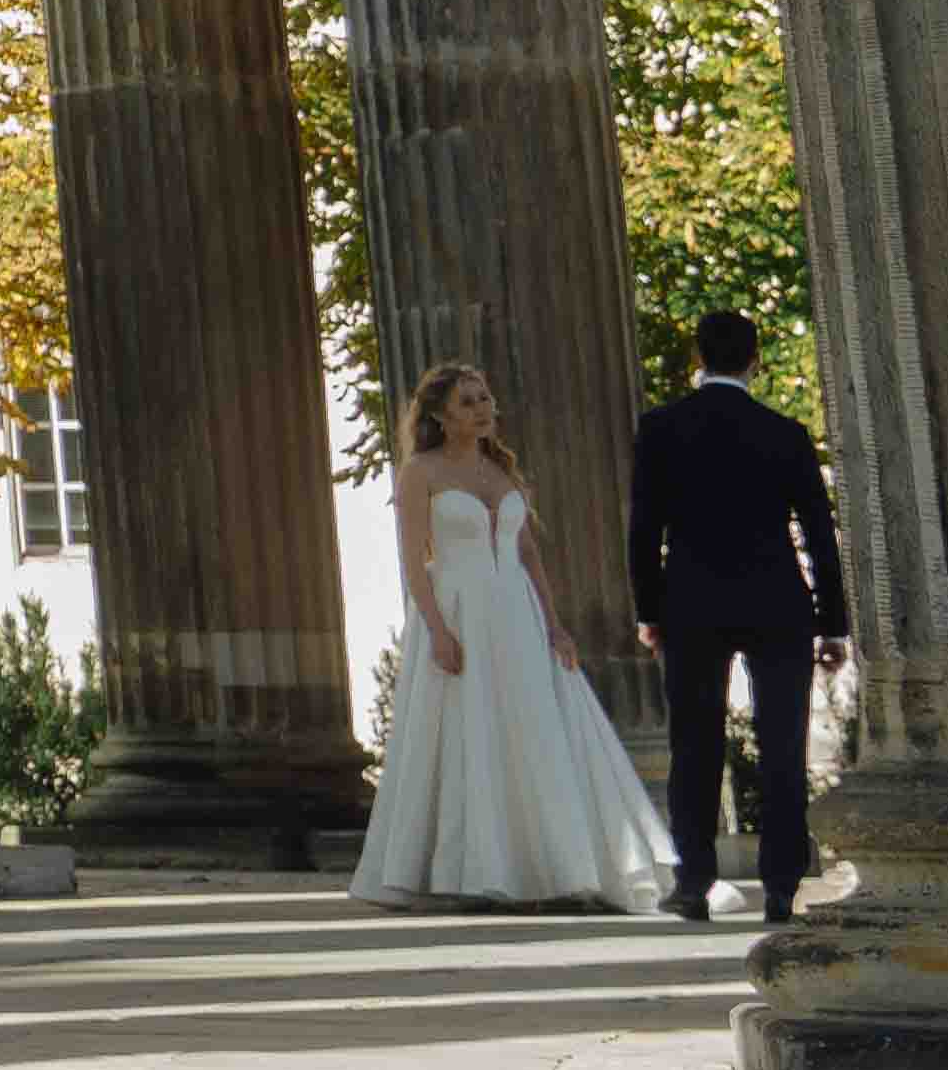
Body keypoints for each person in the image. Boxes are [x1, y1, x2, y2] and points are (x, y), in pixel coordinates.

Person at [350, 362, 669, 912]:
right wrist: (438, 632)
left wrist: (555, 626)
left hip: (517, 614)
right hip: (459, 610)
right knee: (470, 731)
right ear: (440, 415)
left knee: (534, 729)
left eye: (485, 398)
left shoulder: (501, 469)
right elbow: (413, 563)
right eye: (468, 401)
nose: (483, 409)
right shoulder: (420, 472)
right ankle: (469, 871)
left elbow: (527, 554)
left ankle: (553, 869)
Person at [626, 308, 848, 925]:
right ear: (756, 360)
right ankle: (780, 886)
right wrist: (833, 622)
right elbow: (819, 535)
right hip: (777, 602)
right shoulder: (786, 433)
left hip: (691, 602)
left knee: (694, 744)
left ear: (697, 358)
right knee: (783, 745)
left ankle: (694, 881)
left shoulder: (661, 429)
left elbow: (644, 530)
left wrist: (649, 610)